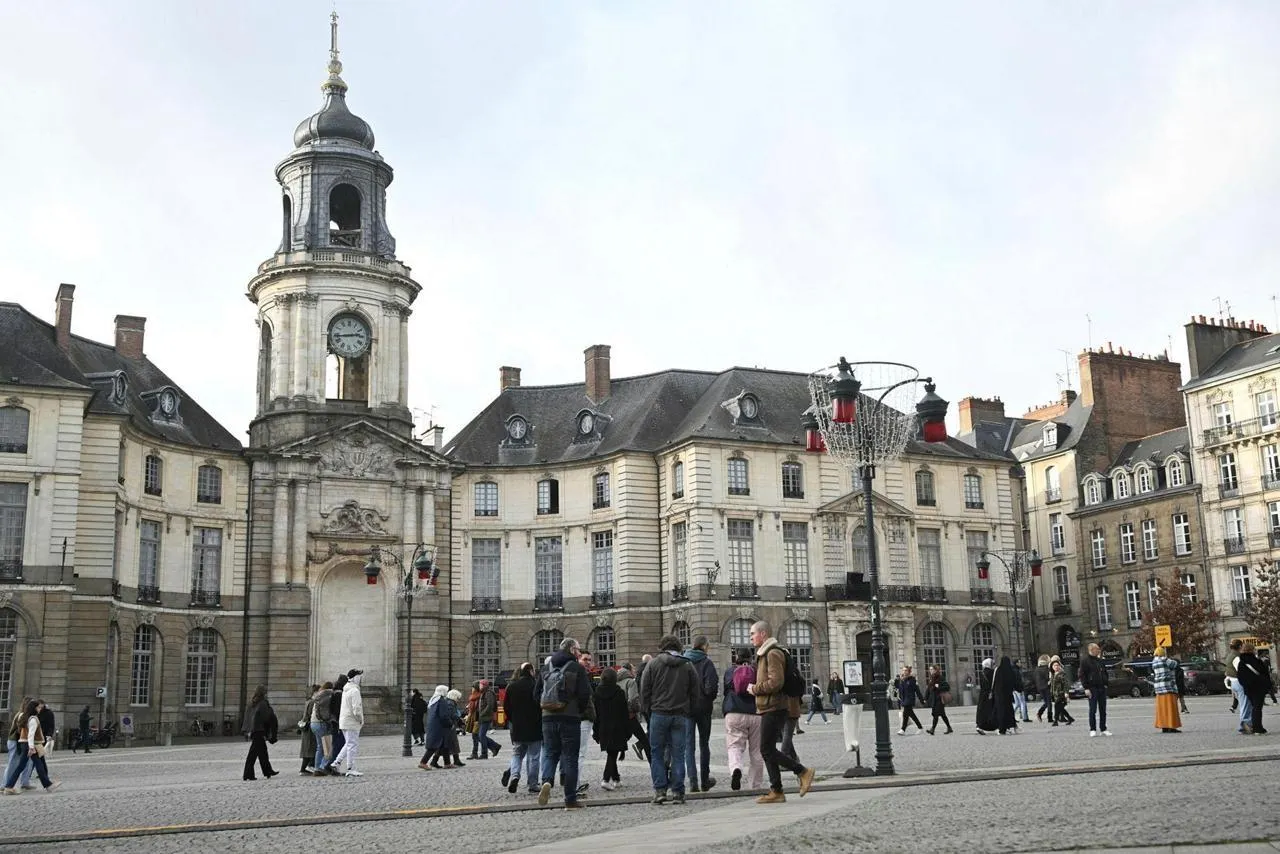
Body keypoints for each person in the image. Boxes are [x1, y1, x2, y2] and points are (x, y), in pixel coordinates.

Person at [748, 620, 815, 805]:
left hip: (774, 706)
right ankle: (776, 791)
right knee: (767, 749)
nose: (751, 637)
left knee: (766, 749)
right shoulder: (765, 653)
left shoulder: (773, 653)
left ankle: (802, 771)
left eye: (753, 633)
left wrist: (755, 689)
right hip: (769, 706)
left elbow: (776, 682)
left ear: (763, 634)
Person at [536, 636, 593, 810]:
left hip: (548, 718)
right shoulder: (576, 668)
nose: (579, 653)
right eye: (578, 650)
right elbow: (585, 694)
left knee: (550, 753)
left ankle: (547, 781)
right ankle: (570, 800)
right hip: (570, 718)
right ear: (572, 650)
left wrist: (546, 708)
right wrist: (577, 710)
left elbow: (535, 694)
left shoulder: (546, 668)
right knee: (570, 757)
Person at [640, 634, 697, 805]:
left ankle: (660, 791)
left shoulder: (652, 664)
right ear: (679, 647)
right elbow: (695, 692)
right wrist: (689, 710)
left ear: (662, 647)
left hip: (658, 714)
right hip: (680, 715)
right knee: (678, 754)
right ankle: (678, 792)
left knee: (657, 753)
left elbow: (644, 690)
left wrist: (648, 712)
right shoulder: (687, 665)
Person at [723, 650, 764, 791]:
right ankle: (755, 786)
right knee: (756, 751)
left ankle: (736, 768)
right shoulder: (757, 671)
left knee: (734, 746)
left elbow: (726, 689)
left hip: (734, 712)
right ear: (751, 658)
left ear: (736, 658)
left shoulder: (730, 672)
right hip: (755, 713)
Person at [683, 635, 718, 793]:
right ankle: (704, 781)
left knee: (688, 746)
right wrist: (707, 698)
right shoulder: (707, 662)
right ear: (704, 646)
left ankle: (693, 782)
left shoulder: (684, 662)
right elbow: (712, 688)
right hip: (703, 708)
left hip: (687, 709)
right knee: (704, 744)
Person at [1, 699, 59, 794]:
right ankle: (48, 785)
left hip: (25, 743)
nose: (40, 709)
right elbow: (31, 735)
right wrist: (31, 747)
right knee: (38, 764)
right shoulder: (33, 719)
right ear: (34, 708)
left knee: (21, 766)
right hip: (32, 744)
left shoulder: (25, 717)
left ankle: (9, 786)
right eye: (38, 707)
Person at [502, 664, 542, 793]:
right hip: (535, 726)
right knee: (534, 757)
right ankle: (533, 784)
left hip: (518, 727)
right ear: (530, 671)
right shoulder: (536, 685)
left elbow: (506, 707)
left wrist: (513, 720)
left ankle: (515, 776)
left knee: (517, 754)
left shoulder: (512, 686)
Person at [592, 667, 630, 791]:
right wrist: (627, 729)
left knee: (611, 752)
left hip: (603, 727)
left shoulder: (597, 693)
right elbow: (624, 712)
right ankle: (605, 779)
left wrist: (595, 731)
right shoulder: (619, 692)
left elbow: (596, 714)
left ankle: (616, 778)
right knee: (613, 753)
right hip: (617, 727)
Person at [241, 684, 279, 781]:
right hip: (259, 730)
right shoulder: (262, 703)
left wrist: (246, 730)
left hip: (253, 730)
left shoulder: (252, 703)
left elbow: (247, 717)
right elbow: (266, 717)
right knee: (253, 754)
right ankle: (248, 774)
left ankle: (268, 771)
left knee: (262, 752)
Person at [332, 668, 365, 775]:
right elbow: (357, 709)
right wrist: (360, 720)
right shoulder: (355, 691)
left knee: (348, 744)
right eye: (359, 677)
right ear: (355, 678)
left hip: (344, 721)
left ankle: (336, 762)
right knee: (352, 746)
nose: (361, 679)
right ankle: (350, 768)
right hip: (352, 722)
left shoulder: (346, 689)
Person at [617, 663, 650, 761]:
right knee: (644, 740)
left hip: (618, 715)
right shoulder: (631, 682)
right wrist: (638, 709)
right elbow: (633, 700)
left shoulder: (616, 681)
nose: (634, 670)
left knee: (622, 738)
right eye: (633, 668)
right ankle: (653, 764)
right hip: (630, 716)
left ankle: (612, 765)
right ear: (629, 670)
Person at [1078, 643, 1112, 737]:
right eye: (1097, 649)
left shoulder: (1100, 661)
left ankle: (1103, 728)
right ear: (1092, 650)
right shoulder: (1085, 661)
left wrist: (1105, 683)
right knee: (1093, 710)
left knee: (1103, 710)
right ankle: (1092, 729)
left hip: (1101, 687)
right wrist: (1086, 688)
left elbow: (1105, 672)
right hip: (1092, 688)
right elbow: (1082, 675)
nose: (1099, 651)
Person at [1237, 642, 1270, 735]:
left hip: (1249, 689)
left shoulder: (1241, 663)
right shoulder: (1257, 661)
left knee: (1254, 707)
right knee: (1257, 708)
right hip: (1259, 688)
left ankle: (1255, 726)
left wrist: (1246, 685)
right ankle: (1258, 728)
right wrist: (1267, 685)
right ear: (1252, 650)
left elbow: (1240, 677)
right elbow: (1265, 673)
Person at [1150, 647, 1182, 733]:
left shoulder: (1154, 662)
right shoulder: (1165, 660)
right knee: (1171, 708)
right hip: (1168, 687)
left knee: (1162, 709)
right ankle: (1171, 726)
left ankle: (1164, 726)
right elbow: (1175, 664)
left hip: (1159, 689)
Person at [310, 681, 335, 775]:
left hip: (313, 723)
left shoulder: (319, 695)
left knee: (319, 747)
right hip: (321, 723)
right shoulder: (329, 695)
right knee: (328, 747)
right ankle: (322, 767)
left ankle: (316, 768)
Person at [476, 679, 502, 760]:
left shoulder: (488, 693)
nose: (479, 686)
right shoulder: (483, 692)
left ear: (484, 685)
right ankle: (495, 746)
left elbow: (490, 705)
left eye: (480, 685)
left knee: (481, 736)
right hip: (482, 717)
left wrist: (482, 713)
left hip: (486, 717)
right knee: (479, 736)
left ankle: (484, 753)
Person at [992, 657, 1019, 734]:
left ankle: (1001, 728)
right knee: (1009, 711)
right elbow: (1014, 682)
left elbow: (995, 682)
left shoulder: (998, 670)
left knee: (1001, 712)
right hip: (1008, 695)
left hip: (999, 695)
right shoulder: (1010, 671)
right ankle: (1010, 726)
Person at [896, 666, 925, 734]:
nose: (904, 672)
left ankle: (903, 729)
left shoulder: (912, 680)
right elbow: (901, 691)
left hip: (909, 699)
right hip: (904, 700)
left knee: (905, 714)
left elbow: (917, 690)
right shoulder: (902, 680)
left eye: (906, 670)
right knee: (910, 714)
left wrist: (922, 700)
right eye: (903, 670)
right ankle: (920, 728)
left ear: (909, 672)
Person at [925, 665, 952, 735]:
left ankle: (932, 729)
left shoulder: (940, 678)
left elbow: (947, 687)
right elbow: (928, 689)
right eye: (930, 669)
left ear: (935, 670)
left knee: (936, 714)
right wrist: (925, 698)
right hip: (934, 699)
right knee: (942, 715)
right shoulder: (932, 678)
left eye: (932, 669)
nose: (930, 671)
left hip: (939, 699)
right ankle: (949, 728)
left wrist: (938, 686)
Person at [299, 684, 319, 773]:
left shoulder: (308, 701)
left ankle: (303, 769)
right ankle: (308, 767)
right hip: (310, 727)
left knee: (307, 749)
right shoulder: (313, 702)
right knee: (311, 748)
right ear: (315, 692)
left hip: (306, 728)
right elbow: (312, 715)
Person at [975, 658, 997, 734]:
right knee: (990, 710)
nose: (993, 665)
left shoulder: (982, 673)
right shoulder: (992, 673)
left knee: (982, 710)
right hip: (990, 694)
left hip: (982, 694)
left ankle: (979, 725)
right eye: (992, 664)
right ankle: (992, 725)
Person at [1050, 660, 1074, 725]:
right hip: (1055, 694)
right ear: (1052, 667)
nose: (1056, 667)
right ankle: (1070, 718)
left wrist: (1066, 692)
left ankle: (1055, 721)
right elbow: (1052, 686)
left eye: (1057, 665)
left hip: (1061, 693)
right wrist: (1051, 693)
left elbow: (1066, 684)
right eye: (1054, 665)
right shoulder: (1053, 674)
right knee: (1060, 708)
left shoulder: (1062, 674)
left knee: (1057, 707)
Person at [1034, 655, 1054, 723]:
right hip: (1046, 687)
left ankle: (1039, 713)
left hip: (1039, 687)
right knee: (1049, 703)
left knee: (1046, 702)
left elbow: (1035, 678)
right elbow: (1047, 677)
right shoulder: (1046, 669)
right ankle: (1049, 717)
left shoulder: (1037, 669)